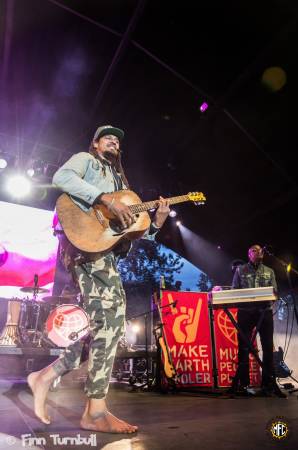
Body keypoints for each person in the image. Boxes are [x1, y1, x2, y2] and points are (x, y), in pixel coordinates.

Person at [27, 125, 170, 432]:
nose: (114, 141)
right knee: (111, 325)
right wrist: (105, 199)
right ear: (94, 144)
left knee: (107, 329)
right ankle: (93, 411)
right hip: (87, 251)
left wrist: (156, 223)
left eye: (117, 139)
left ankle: (48, 378)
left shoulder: (122, 182)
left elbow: (133, 233)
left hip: (106, 256)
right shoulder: (86, 161)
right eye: (107, 137)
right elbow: (61, 178)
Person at [231, 244, 285, 397]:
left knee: (268, 348)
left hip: (264, 312)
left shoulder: (270, 271)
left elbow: (274, 292)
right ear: (249, 254)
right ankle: (244, 384)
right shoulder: (240, 270)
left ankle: (268, 384)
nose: (258, 251)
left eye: (259, 250)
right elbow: (235, 291)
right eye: (253, 250)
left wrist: (271, 296)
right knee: (243, 347)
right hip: (245, 312)